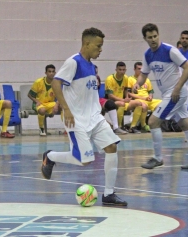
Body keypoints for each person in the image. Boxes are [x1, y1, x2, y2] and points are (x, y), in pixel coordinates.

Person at [40, 27, 127, 206]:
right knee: (84, 161)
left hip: (95, 117)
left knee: (111, 147)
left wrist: (102, 115)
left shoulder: (91, 66)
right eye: (98, 46)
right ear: (86, 43)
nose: (100, 49)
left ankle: (109, 194)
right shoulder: (73, 62)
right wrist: (66, 109)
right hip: (76, 120)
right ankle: (51, 156)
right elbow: (56, 83)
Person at [134, 23, 188, 169]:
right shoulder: (148, 54)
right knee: (185, 123)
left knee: (153, 121)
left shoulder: (170, 50)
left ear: (158, 35)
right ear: (145, 38)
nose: (153, 39)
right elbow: (144, 74)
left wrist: (177, 89)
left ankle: (158, 158)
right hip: (168, 93)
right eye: (150, 37)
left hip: (175, 93)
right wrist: (137, 84)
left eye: (155, 36)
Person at [105, 61, 147, 134]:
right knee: (121, 104)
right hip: (112, 102)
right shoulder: (109, 79)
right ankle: (119, 127)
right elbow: (110, 96)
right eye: (120, 70)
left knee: (139, 103)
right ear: (116, 70)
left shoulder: (126, 78)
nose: (122, 71)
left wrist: (127, 98)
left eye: (123, 70)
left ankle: (132, 127)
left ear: (126, 70)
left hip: (123, 101)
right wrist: (123, 100)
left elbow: (126, 90)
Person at [128, 62, 162, 133]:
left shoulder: (147, 80)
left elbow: (151, 91)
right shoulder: (130, 79)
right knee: (143, 105)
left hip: (147, 99)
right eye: (138, 69)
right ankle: (142, 125)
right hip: (138, 99)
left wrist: (150, 96)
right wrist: (143, 98)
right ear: (134, 69)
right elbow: (129, 93)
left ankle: (154, 123)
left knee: (161, 104)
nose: (140, 71)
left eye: (141, 69)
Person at [28, 64, 59, 136]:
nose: (51, 73)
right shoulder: (38, 82)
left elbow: (59, 96)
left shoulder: (57, 83)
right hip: (39, 103)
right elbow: (29, 95)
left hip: (50, 103)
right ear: (46, 73)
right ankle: (42, 129)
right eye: (49, 71)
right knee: (42, 110)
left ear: (55, 73)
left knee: (62, 106)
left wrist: (57, 104)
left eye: (53, 72)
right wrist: (36, 101)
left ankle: (67, 129)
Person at [95, 65, 127, 135]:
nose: (95, 73)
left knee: (110, 104)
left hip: (96, 98)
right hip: (85, 100)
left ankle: (116, 128)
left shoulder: (97, 78)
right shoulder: (83, 79)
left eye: (96, 72)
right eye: (94, 72)